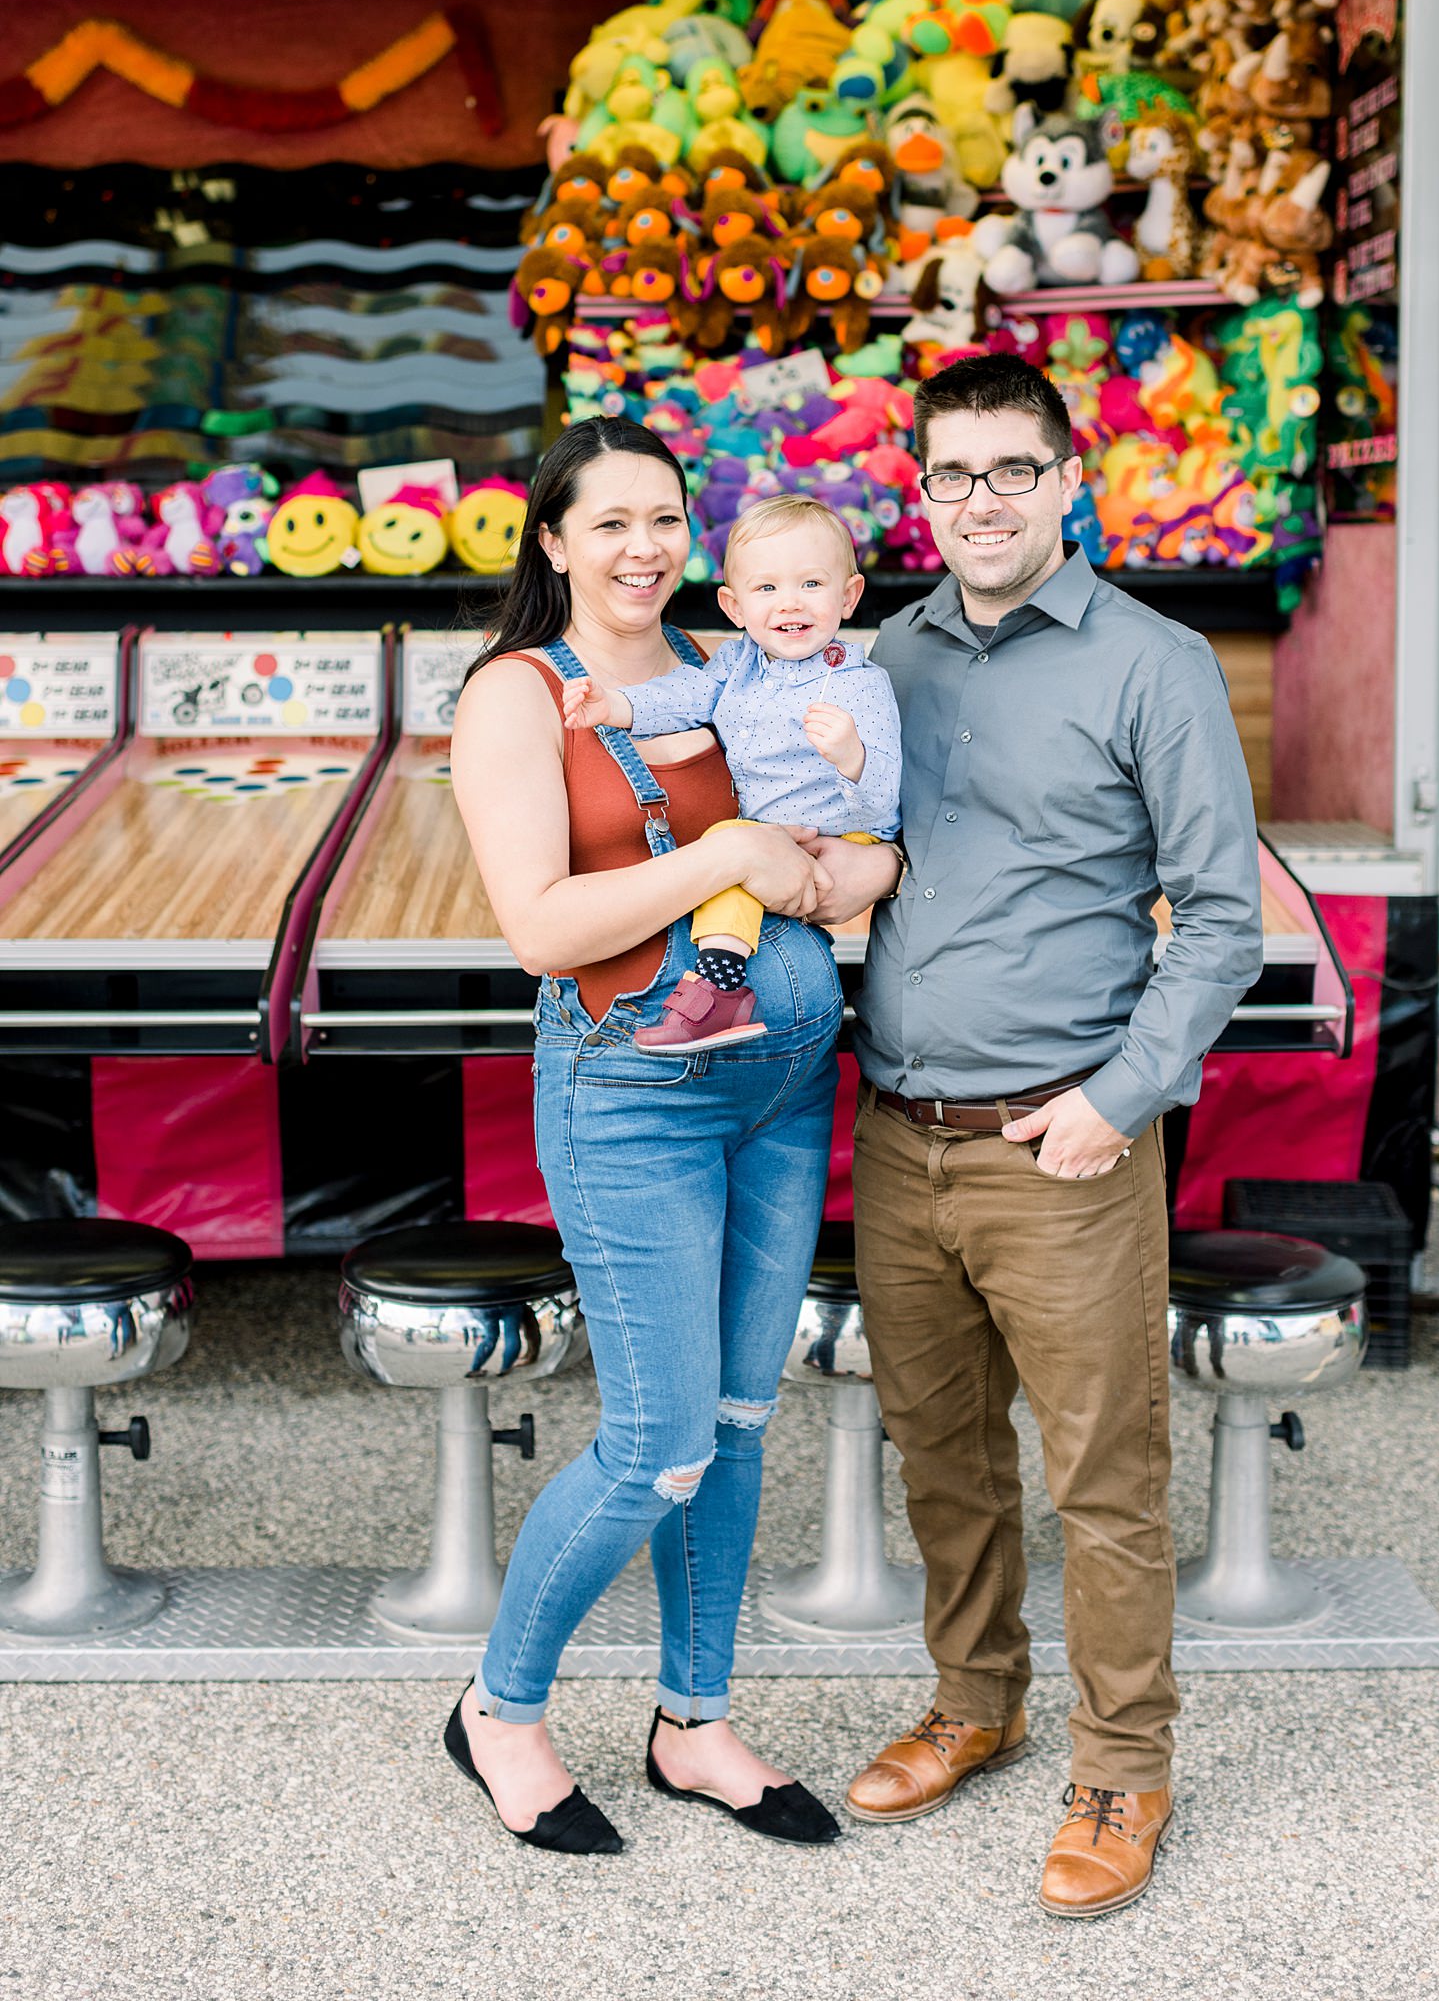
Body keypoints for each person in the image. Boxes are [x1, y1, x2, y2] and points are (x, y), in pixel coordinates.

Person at [840, 354, 1263, 1918]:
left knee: (1101, 1475)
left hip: (1062, 1140)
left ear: (1069, 477)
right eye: (950, 476)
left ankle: (1121, 1768)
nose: (980, 502)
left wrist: (1117, 1097)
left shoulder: (1152, 664)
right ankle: (974, 1699)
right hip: (899, 1131)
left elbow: (1222, 920)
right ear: (921, 491)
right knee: (939, 1453)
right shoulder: (885, 656)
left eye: (1011, 469)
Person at [449, 418, 885, 1856]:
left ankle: (692, 1720)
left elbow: (838, 834)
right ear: (553, 539)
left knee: (742, 1424)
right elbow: (540, 928)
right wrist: (727, 858)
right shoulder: (520, 695)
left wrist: (851, 858)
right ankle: (501, 1711)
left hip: (780, 1084)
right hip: (629, 1093)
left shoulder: (730, 668)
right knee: (655, 1440)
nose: (645, 549)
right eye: (612, 522)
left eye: (665, 521)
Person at [562, 492, 901, 1055]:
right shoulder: (737, 664)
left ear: (849, 596)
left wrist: (852, 757)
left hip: (840, 837)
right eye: (766, 589)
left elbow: (886, 800)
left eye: (811, 585)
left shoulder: (860, 684)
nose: (789, 604)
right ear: (735, 607)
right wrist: (615, 707)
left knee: (724, 849)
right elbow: (684, 696)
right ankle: (726, 986)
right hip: (771, 840)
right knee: (730, 852)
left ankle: (717, 991)